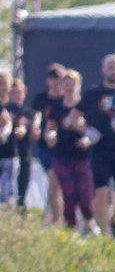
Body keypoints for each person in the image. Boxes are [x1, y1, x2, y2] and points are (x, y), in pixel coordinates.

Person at [81, 54, 115, 239]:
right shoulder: (93, 93)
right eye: (110, 66)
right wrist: (86, 131)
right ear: (103, 70)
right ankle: (103, 237)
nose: (113, 70)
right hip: (100, 149)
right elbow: (74, 116)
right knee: (101, 191)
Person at [43, 69, 95, 231]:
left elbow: (92, 131)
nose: (69, 88)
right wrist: (50, 136)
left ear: (79, 86)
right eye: (66, 84)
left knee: (85, 195)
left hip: (82, 157)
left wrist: (87, 139)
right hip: (61, 156)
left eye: (73, 85)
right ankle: (70, 228)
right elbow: (50, 128)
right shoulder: (56, 107)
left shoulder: (84, 107)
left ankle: (89, 222)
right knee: (69, 194)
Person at [30, 63, 67, 223]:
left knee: (61, 184)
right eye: (53, 80)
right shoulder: (41, 99)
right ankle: (57, 219)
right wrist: (36, 128)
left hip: (65, 147)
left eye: (59, 80)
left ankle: (59, 216)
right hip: (46, 147)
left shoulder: (67, 101)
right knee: (54, 179)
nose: (56, 84)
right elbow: (37, 116)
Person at [7, 79, 37, 211]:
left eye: (18, 93)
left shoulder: (28, 112)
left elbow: (28, 126)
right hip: (7, 154)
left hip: (24, 154)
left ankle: (20, 213)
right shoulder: (5, 110)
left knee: (22, 190)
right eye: (13, 93)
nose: (16, 96)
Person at [0, 71, 16, 204]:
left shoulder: (15, 106)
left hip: (10, 152)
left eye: (4, 83)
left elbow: (8, 124)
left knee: (5, 192)